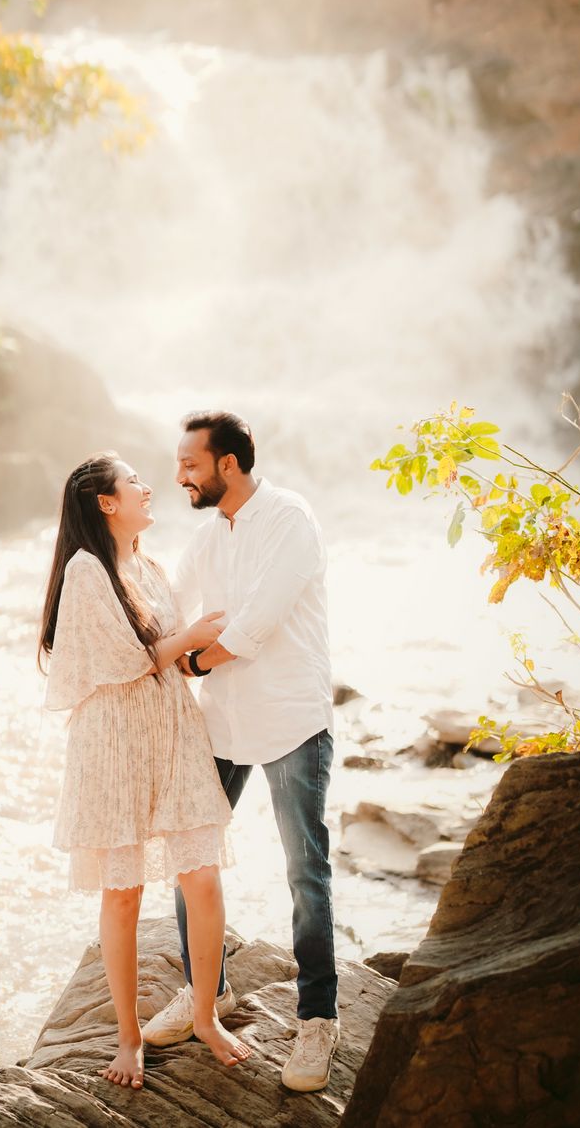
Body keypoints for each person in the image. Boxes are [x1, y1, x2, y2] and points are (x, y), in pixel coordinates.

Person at [39, 450, 254, 1090]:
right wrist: (190, 637)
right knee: (124, 892)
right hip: (114, 744)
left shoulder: (150, 565)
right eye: (134, 482)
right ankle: (128, 1039)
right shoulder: (86, 570)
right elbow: (132, 660)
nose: (146, 487)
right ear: (107, 502)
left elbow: (166, 658)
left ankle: (207, 1015)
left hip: (170, 729)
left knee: (203, 876)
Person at [142, 411, 340, 1094]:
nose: (179, 477)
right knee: (190, 858)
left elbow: (254, 626)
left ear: (228, 464)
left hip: (291, 720)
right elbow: (167, 608)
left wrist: (191, 664)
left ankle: (319, 1017)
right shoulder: (206, 538)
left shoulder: (291, 519)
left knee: (304, 873)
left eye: (190, 465)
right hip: (222, 725)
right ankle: (208, 993)